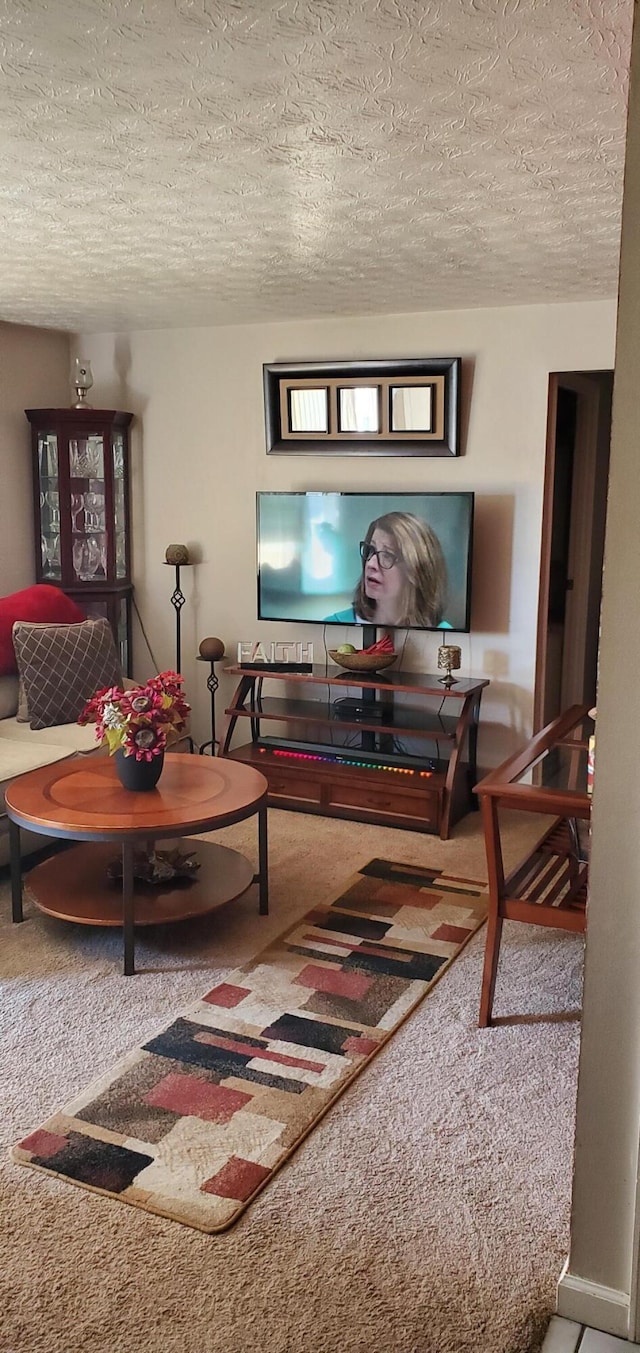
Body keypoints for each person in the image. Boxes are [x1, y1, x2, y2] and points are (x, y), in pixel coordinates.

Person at [324, 511, 451, 628]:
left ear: (416, 571)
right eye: (371, 550)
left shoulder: (446, 637)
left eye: (387, 555)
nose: (370, 563)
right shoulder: (333, 625)